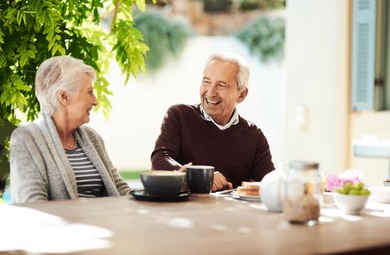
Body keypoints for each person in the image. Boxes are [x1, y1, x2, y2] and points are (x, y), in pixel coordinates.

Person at [10, 56, 131, 203]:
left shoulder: (92, 137)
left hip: (103, 222)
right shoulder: (25, 138)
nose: (95, 101)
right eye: (89, 92)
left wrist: (152, 197)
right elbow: (33, 204)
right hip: (63, 225)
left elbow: (119, 187)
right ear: (64, 97)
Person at [151, 52, 275, 191]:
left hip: (230, 212)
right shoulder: (179, 116)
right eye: (206, 82)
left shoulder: (254, 136)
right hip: (183, 210)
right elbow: (159, 161)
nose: (210, 92)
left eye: (221, 85)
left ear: (241, 95)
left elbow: (270, 184)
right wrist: (199, 176)